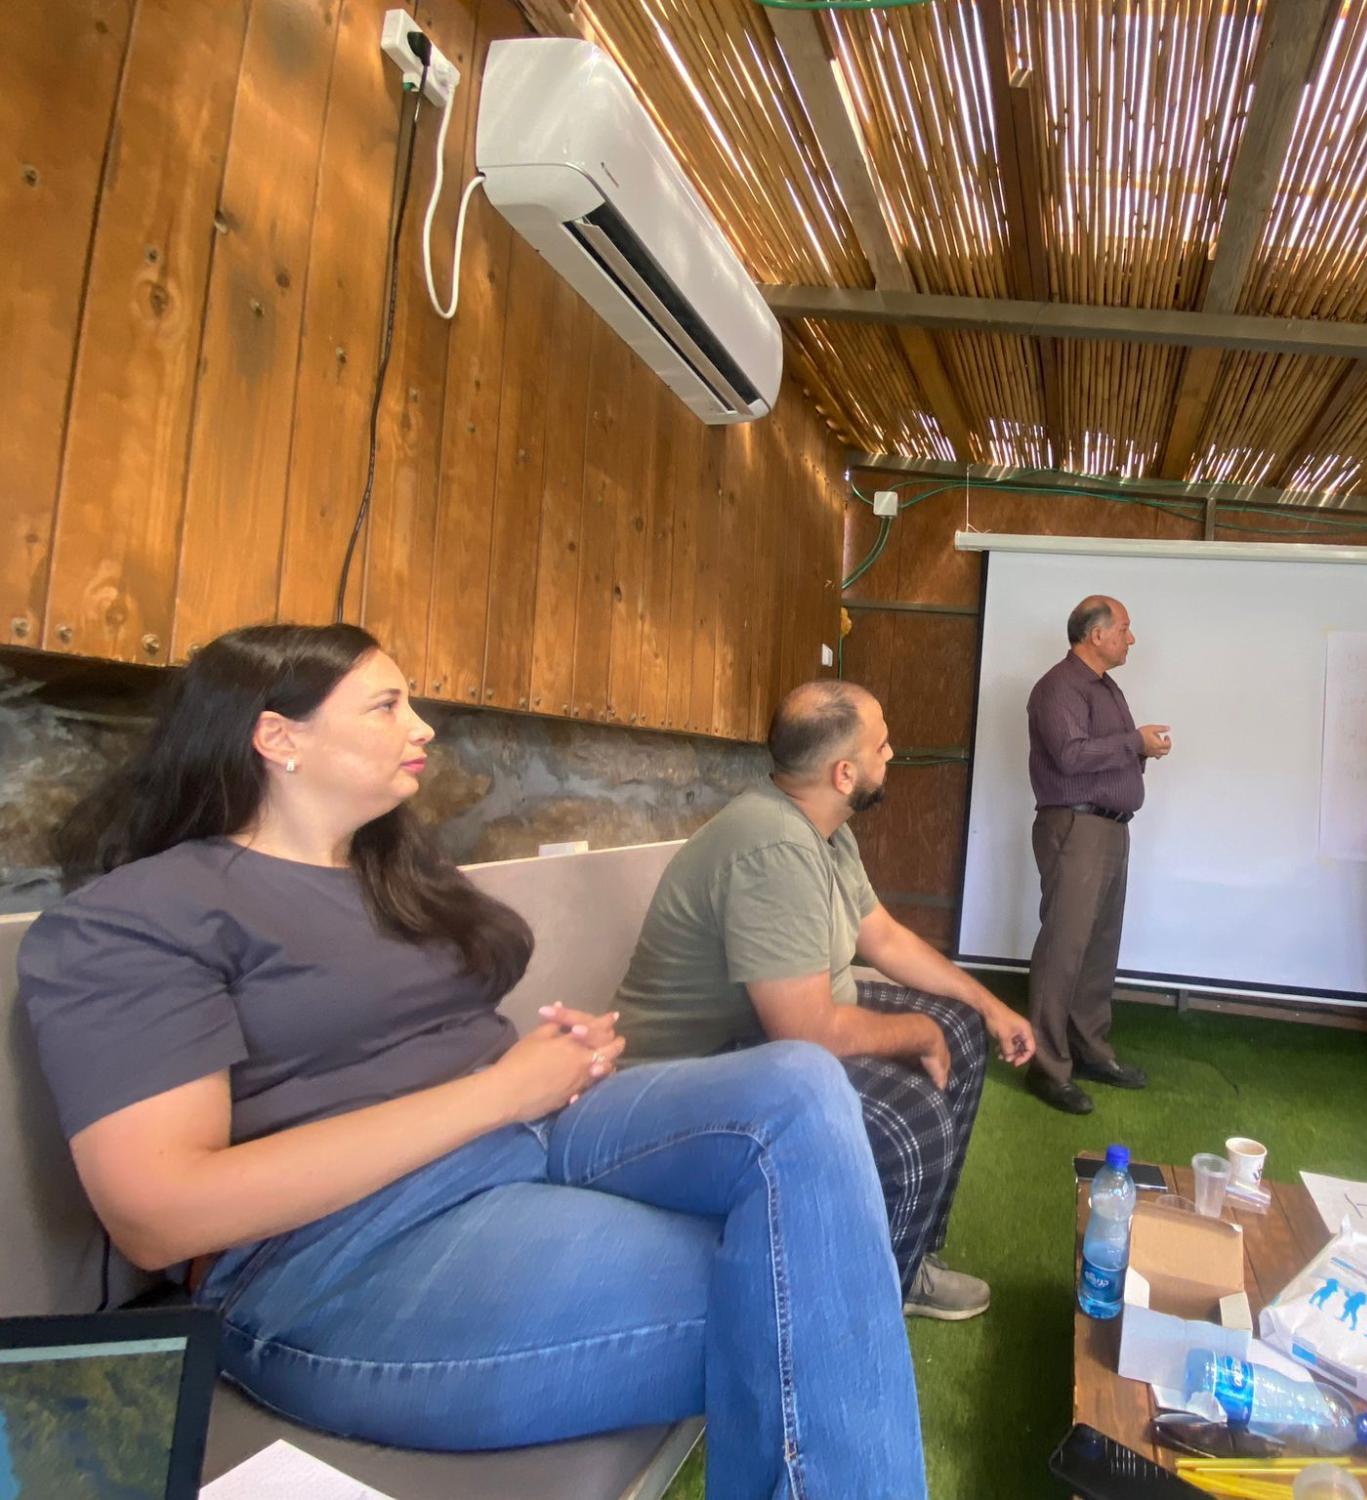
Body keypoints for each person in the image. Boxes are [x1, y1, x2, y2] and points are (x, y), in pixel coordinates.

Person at [18, 624, 923, 1499]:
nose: (422, 727)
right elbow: (160, 1212)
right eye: (386, 706)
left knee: (800, 1084)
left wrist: (544, 1067)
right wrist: (499, 1092)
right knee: (804, 1281)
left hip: (536, 1133)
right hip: (345, 1252)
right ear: (278, 738)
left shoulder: (390, 875)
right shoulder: (140, 917)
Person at [616, 680, 1036, 1322]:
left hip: (761, 1034)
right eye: (881, 745)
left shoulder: (826, 831)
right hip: (682, 1078)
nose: (891, 754)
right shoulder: (774, 848)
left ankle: (907, 1256)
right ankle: (859, 1311)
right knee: (914, 1115)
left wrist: (989, 1003)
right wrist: (917, 1033)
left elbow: (884, 937)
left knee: (961, 1027)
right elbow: (807, 1031)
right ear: (844, 773)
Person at [1022, 595, 1171, 1115]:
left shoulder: (1107, 687)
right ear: (1096, 634)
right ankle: (1046, 1067)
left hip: (1109, 829)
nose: (1132, 638)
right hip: (1076, 827)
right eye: (1125, 629)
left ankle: (1089, 1052)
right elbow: (1070, 756)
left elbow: (1106, 752)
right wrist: (1134, 743)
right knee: (1064, 947)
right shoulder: (1058, 686)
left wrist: (1139, 749)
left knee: (1099, 948)